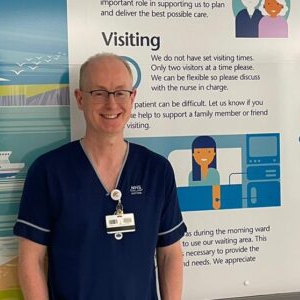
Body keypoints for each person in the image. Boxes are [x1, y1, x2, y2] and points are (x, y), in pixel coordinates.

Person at [13, 53, 186, 299]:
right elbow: (32, 260)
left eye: (120, 92)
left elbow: (170, 253)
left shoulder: (157, 171)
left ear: (133, 97)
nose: (111, 104)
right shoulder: (48, 171)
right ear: (80, 98)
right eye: (99, 93)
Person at [188, 135, 221, 210]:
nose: (204, 155)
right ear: (193, 154)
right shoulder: (191, 174)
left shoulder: (214, 173)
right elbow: (192, 197)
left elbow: (216, 200)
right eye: (199, 152)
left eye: (209, 151)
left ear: (214, 154)